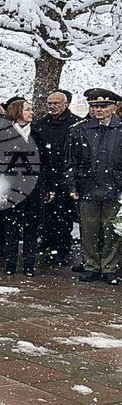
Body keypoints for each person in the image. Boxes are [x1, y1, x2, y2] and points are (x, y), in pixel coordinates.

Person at [63, 89, 122, 285]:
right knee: (89, 230)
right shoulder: (80, 129)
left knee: (111, 230)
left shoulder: (120, 129)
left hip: (115, 189)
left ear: (114, 107)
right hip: (87, 187)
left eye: (103, 106)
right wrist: (72, 185)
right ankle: (91, 266)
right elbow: (71, 161)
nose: (98, 110)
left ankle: (110, 268)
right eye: (94, 106)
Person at [32, 90, 83, 269]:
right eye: (50, 103)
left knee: (63, 218)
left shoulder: (76, 124)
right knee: (45, 215)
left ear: (66, 104)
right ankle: (47, 243)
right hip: (45, 177)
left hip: (65, 177)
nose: (53, 107)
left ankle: (62, 250)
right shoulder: (39, 125)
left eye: (57, 103)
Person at [0, 100, 46, 276]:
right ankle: (10, 263)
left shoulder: (37, 135)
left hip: (33, 189)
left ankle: (29, 264)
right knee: (11, 227)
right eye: (27, 109)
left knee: (31, 228)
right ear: (17, 112)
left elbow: (44, 164)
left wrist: (45, 186)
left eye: (31, 109)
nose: (31, 112)